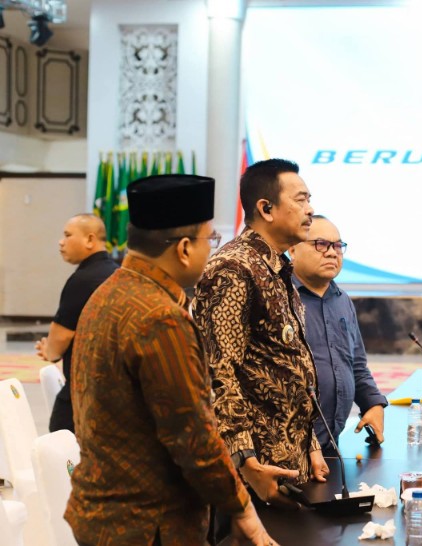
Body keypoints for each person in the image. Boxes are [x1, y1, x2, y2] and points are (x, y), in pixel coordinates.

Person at [65, 175, 276, 546]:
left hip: (101, 517)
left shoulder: (107, 293)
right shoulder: (161, 318)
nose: (211, 249)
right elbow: (194, 439)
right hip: (150, 527)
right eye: (210, 239)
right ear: (184, 248)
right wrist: (244, 510)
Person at [193, 158, 329, 508]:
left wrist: (311, 444)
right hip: (257, 473)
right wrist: (245, 461)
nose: (310, 210)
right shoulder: (232, 269)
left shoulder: (277, 268)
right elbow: (218, 372)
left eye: (309, 199)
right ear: (266, 209)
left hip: (292, 462)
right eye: (300, 199)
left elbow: (285, 365)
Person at [290, 215, 388, 453]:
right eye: (321, 244)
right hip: (290, 450)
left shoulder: (342, 300)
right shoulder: (280, 298)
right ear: (292, 249)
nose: (332, 253)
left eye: (337, 246)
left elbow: (356, 365)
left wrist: (373, 404)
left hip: (332, 445)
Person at [35, 213, 118, 433]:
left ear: (90, 239)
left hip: (83, 393)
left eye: (67, 235)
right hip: (115, 390)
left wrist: (50, 350)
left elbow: (59, 340)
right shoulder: (117, 272)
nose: (61, 242)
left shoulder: (82, 280)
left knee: (62, 444)